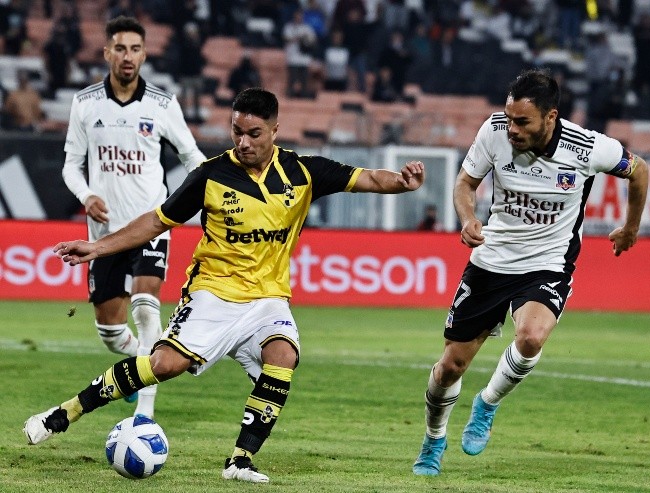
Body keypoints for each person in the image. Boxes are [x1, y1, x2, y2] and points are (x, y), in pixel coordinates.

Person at [25, 87, 426, 483]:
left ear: (274, 131)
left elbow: (369, 178)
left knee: (283, 355)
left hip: (268, 299)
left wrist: (402, 181)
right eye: (237, 131)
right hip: (213, 294)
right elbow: (157, 221)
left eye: (254, 133)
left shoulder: (303, 172)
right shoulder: (211, 175)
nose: (243, 142)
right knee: (164, 366)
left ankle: (240, 461)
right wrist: (98, 247)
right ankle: (64, 413)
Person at [412, 69, 649, 476]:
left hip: (548, 262)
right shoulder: (494, 130)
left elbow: (639, 169)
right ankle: (434, 438)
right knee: (451, 366)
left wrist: (631, 228)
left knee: (531, 337)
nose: (512, 129)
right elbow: (465, 184)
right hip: (492, 259)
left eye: (523, 122)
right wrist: (467, 219)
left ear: (550, 117)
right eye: (510, 118)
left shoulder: (588, 147)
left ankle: (487, 403)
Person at [59, 16, 206, 419]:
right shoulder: (85, 103)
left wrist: (212, 193)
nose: (128, 56)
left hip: (151, 223)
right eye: (120, 48)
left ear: (144, 54)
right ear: (107, 52)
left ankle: (144, 415)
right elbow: (71, 165)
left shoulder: (162, 105)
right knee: (110, 331)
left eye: (135, 49)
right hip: (105, 234)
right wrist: (86, 195)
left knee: (145, 306)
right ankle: (138, 364)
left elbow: (191, 156)